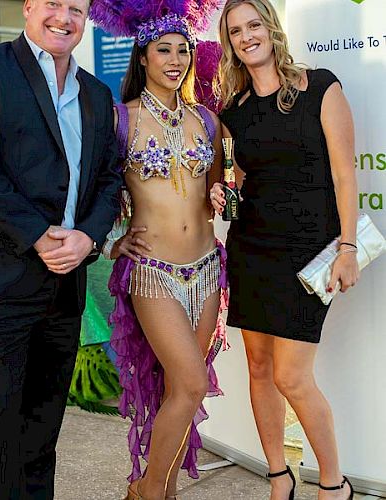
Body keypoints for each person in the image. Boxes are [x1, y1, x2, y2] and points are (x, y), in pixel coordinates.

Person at [0, 0, 122, 497]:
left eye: (76, 9)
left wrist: (88, 236)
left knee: (42, 430)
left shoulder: (95, 92)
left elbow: (108, 178)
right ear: (27, 8)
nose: (63, 17)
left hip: (65, 281)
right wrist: (39, 235)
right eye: (52, 4)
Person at [210, 1, 358, 499]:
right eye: (235, 31)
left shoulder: (320, 86)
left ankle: (335, 485)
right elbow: (241, 179)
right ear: (229, 42)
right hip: (252, 247)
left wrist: (348, 246)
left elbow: (344, 173)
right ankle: (279, 476)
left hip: (311, 250)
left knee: (292, 377)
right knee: (257, 366)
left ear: (270, 27)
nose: (246, 36)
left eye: (254, 25)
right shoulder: (233, 110)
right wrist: (219, 189)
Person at [90, 1, 228, 499]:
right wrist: (111, 241)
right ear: (143, 56)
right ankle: (148, 491)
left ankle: (158, 490)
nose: (175, 59)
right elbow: (93, 191)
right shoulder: (119, 120)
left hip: (209, 269)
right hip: (153, 272)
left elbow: (217, 193)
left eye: (183, 50)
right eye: (163, 50)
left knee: (180, 390)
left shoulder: (206, 122)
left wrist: (219, 196)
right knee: (191, 385)